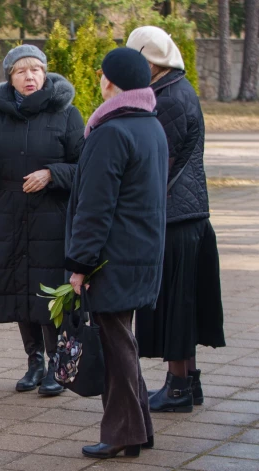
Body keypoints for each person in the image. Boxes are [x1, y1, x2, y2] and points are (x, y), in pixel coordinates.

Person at [66, 47, 168, 459]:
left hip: (112, 256)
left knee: (116, 345)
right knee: (122, 339)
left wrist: (81, 264)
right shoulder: (149, 125)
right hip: (140, 252)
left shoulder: (111, 130)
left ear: (109, 81)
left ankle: (125, 432)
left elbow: (95, 206)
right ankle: (138, 427)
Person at [0, 44, 84, 396]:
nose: (29, 76)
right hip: (9, 213)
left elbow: (85, 167)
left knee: (48, 292)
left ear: (46, 73)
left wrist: (52, 174)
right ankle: (34, 361)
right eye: (21, 71)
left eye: (36, 69)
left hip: (51, 217)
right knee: (19, 287)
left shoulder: (67, 114)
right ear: (10, 78)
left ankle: (56, 364)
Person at [128, 26, 225, 413]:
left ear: (152, 60)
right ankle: (188, 383)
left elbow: (158, 164)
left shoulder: (168, 98)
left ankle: (179, 387)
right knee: (180, 302)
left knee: (176, 304)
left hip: (176, 217)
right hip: (186, 214)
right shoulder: (175, 90)